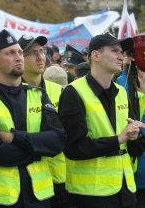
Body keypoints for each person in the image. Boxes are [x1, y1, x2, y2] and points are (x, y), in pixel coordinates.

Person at [0, 29, 66, 208]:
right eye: (10, 53)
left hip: (38, 197)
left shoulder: (38, 95)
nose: (18, 57)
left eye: (20, 52)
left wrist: (15, 138)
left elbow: (58, 141)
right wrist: (37, 151)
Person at [58, 32, 145, 208]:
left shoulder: (121, 92)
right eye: (114, 51)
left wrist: (137, 138)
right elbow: (73, 148)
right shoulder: (73, 92)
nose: (121, 56)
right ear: (95, 55)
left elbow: (133, 147)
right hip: (89, 194)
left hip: (125, 190)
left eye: (121, 52)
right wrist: (118, 139)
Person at [18, 35, 69, 208]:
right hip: (30, 181)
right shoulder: (13, 94)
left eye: (42, 51)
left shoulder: (60, 91)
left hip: (61, 179)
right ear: (19, 58)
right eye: (32, 53)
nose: (40, 57)